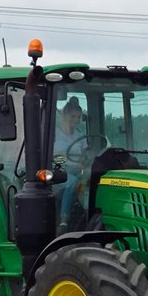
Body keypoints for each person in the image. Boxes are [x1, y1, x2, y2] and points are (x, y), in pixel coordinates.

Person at [54, 97, 86, 230]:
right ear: (64, 115)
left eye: (79, 117)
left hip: (77, 171)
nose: (76, 120)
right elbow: (51, 156)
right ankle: (64, 220)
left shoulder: (80, 135)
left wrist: (83, 163)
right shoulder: (54, 133)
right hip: (57, 172)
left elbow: (85, 155)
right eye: (73, 116)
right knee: (72, 181)